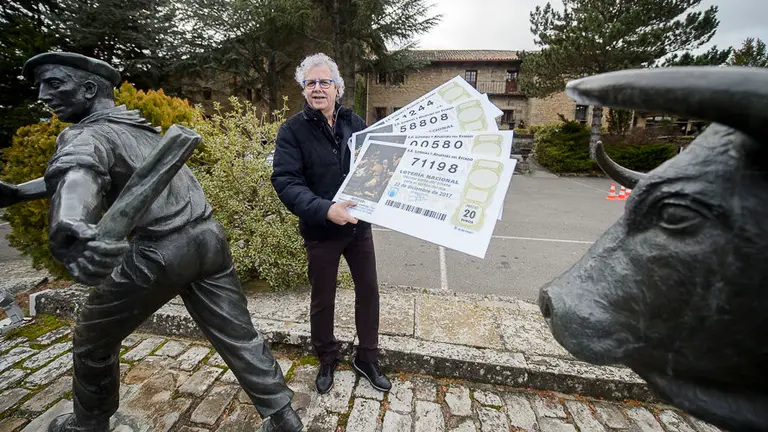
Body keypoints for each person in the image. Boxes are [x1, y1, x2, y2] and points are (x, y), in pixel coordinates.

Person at [9, 52, 302, 432]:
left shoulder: (85, 134)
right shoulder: (139, 129)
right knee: (238, 334)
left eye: (54, 83)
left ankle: (89, 424)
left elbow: (79, 174)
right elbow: (77, 174)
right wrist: (18, 193)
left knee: (92, 338)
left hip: (161, 251)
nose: (43, 95)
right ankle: (282, 416)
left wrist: (70, 223)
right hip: (209, 239)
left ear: (88, 88)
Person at [270, 53, 391, 394]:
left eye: (325, 82)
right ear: (304, 90)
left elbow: (378, 169)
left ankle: (367, 357)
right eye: (311, 83)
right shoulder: (292, 131)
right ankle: (326, 357)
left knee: (368, 291)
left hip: (358, 227)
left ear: (338, 88)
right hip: (321, 231)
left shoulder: (357, 124)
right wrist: (325, 209)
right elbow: (286, 181)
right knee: (323, 298)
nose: (318, 88)